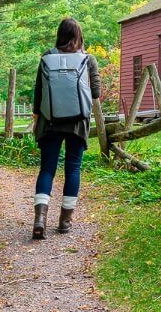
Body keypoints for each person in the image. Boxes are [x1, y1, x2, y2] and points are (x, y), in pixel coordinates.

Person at [31, 18, 100, 239]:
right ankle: (64, 221)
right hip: (77, 123)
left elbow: (38, 93)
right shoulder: (88, 59)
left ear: (59, 35)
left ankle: (40, 220)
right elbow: (96, 93)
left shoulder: (46, 57)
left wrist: (36, 119)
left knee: (47, 169)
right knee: (72, 169)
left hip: (49, 121)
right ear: (78, 35)